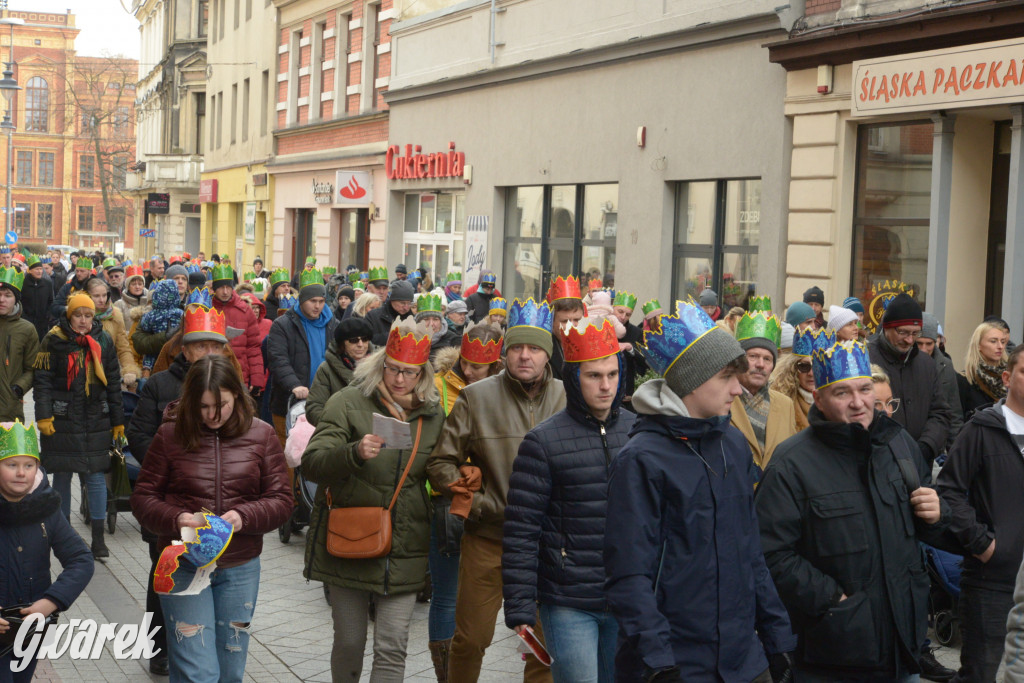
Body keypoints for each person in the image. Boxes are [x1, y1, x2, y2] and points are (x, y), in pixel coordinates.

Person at [604, 299, 795, 682]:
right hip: (677, 665)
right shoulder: (641, 459)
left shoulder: (733, 445)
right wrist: (659, 662)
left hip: (743, 661)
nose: (738, 389)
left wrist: (778, 640)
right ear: (692, 379)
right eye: (727, 376)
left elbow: (751, 553)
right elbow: (630, 575)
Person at [756, 339, 950, 681]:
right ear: (819, 399)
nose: (859, 402)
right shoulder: (792, 463)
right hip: (835, 653)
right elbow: (771, 553)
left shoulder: (899, 443)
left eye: (864, 389)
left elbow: (923, 527)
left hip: (904, 647)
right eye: (843, 393)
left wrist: (938, 513)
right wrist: (833, 599)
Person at [427, 298, 565, 682]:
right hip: (489, 538)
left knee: (543, 647)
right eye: (517, 347)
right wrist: (478, 504)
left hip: (546, 545)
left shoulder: (568, 398)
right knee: (471, 640)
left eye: (534, 348)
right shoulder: (477, 396)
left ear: (546, 355)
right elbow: (440, 463)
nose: (525, 356)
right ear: (505, 353)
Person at [131, 354, 292, 683]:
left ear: (237, 395)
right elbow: (143, 499)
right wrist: (178, 518)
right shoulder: (170, 435)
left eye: (222, 404)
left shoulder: (261, 435)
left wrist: (244, 516)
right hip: (181, 564)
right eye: (204, 407)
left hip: (240, 566)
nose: (213, 415)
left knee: (230, 669)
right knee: (197, 670)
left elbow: (282, 499)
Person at [302, 319, 446, 682]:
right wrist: (353, 451)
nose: (400, 379)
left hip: (405, 545)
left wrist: (459, 478)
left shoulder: (432, 414)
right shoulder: (347, 402)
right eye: (393, 369)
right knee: (350, 642)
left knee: (392, 646)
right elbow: (313, 463)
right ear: (380, 363)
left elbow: (440, 468)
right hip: (350, 540)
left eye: (410, 373)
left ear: (423, 374)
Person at [503, 317, 634, 683]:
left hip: (627, 594)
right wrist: (520, 607)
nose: (606, 385)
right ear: (574, 378)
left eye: (612, 373)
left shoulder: (638, 432)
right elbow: (521, 530)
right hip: (567, 599)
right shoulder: (542, 442)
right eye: (594, 376)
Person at [127, 303, 236, 675]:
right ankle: (159, 648)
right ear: (185, 349)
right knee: (166, 574)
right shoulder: (159, 384)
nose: (208, 353)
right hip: (173, 505)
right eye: (200, 346)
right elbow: (138, 433)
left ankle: (204, 651)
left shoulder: (230, 388)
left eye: (215, 346)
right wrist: (166, 465)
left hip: (221, 514)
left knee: (219, 581)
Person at [936, 342, 1024, 682]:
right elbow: (949, 491)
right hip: (993, 583)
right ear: (1007, 376)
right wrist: (985, 545)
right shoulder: (982, 429)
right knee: (984, 673)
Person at [426, 322, 503, 679]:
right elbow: (433, 447)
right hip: (446, 502)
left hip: (492, 508)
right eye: (467, 362)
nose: (471, 370)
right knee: (446, 593)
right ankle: (446, 673)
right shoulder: (438, 386)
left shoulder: (504, 393)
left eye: (480, 366)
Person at [0, 420, 95, 682]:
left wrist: (51, 602)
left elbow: (81, 559)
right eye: (11, 465)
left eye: (28, 465)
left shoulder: (47, 509)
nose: (21, 473)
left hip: (31, 629)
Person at [33, 292, 124, 558]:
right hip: (63, 419)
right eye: (78, 315)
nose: (83, 320)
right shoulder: (53, 340)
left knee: (95, 476)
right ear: (69, 316)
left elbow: (115, 384)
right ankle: (63, 535)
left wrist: (118, 422)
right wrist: (43, 415)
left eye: (88, 315)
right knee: (62, 474)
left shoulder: (103, 340)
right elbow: (43, 382)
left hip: (95, 419)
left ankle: (97, 538)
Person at [867, 292, 952, 467]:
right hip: (878, 462)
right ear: (886, 327)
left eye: (915, 333)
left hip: (921, 464)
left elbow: (940, 413)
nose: (909, 340)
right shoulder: (865, 359)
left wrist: (926, 447)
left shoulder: (927, 364)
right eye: (903, 332)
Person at [267, 267, 338, 445]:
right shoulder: (282, 325)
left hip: (325, 402)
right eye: (312, 301)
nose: (317, 306)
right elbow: (278, 360)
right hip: (290, 403)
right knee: (290, 456)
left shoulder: (333, 325)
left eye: (322, 301)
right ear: (302, 300)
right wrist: (294, 385)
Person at [730, 301, 798, 471]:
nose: (760, 364)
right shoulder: (721, 401)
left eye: (767, 359)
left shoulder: (785, 405)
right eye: (752, 356)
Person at [305, 316, 373, 426]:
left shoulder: (381, 365)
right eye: (353, 340)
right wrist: (339, 426)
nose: (360, 344)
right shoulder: (326, 369)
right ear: (342, 344)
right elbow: (314, 408)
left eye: (364, 339)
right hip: (341, 434)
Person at [210, 264, 265, 393]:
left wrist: (257, 379)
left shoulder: (245, 310)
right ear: (214, 289)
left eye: (228, 287)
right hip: (212, 374)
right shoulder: (207, 309)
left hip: (239, 376)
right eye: (221, 288)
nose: (225, 292)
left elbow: (254, 347)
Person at [769, 328, 834, 432]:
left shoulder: (841, 403)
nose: (811, 373)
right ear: (793, 368)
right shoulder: (779, 403)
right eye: (804, 366)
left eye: (818, 366)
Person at [917, 312, 964, 447]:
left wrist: (955, 451)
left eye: (929, 344)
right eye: (919, 343)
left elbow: (954, 413)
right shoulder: (905, 364)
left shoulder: (945, 365)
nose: (924, 349)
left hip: (938, 443)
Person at [0, 267, 39, 423]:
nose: (2, 299)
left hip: (9, 410)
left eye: (7, 295)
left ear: (16, 299)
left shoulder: (26, 329)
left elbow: (33, 368)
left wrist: (18, 389)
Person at [86, 277, 140, 388]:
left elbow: (123, 347)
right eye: (96, 296)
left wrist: (129, 370)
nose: (101, 300)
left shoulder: (115, 315)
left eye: (104, 295)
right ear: (87, 296)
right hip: (83, 372)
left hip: (107, 372)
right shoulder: (79, 315)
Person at [957, 319, 1010, 421]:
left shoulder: (1009, 377)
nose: (1000, 346)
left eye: (1002, 342)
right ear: (978, 345)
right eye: (993, 341)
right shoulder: (965, 380)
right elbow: (956, 420)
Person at [136, 280, 185, 377]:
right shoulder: (180, 313)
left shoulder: (151, 315)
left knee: (149, 355)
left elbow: (145, 326)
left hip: (154, 354)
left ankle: (146, 372)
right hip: (175, 354)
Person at [546, 276, 585, 381]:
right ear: (552, 322)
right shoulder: (543, 349)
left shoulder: (591, 344)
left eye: (576, 320)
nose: (571, 326)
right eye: (564, 321)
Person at [366, 279, 415, 347]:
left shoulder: (414, 320)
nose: (406, 307)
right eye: (402, 303)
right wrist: (394, 335)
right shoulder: (373, 316)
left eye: (409, 303)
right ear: (392, 300)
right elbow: (366, 341)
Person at [20, 255, 53, 341]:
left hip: (42, 324)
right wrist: (24, 317)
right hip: (26, 323)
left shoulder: (47, 284)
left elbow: (51, 301)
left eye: (40, 269)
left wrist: (48, 315)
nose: (39, 271)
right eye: (37, 269)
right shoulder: (22, 284)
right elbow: (19, 302)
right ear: (30, 270)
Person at [416, 293, 460, 357]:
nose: (431, 324)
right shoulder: (408, 338)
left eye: (435, 319)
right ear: (418, 322)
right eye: (426, 319)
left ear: (441, 321)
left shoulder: (453, 341)